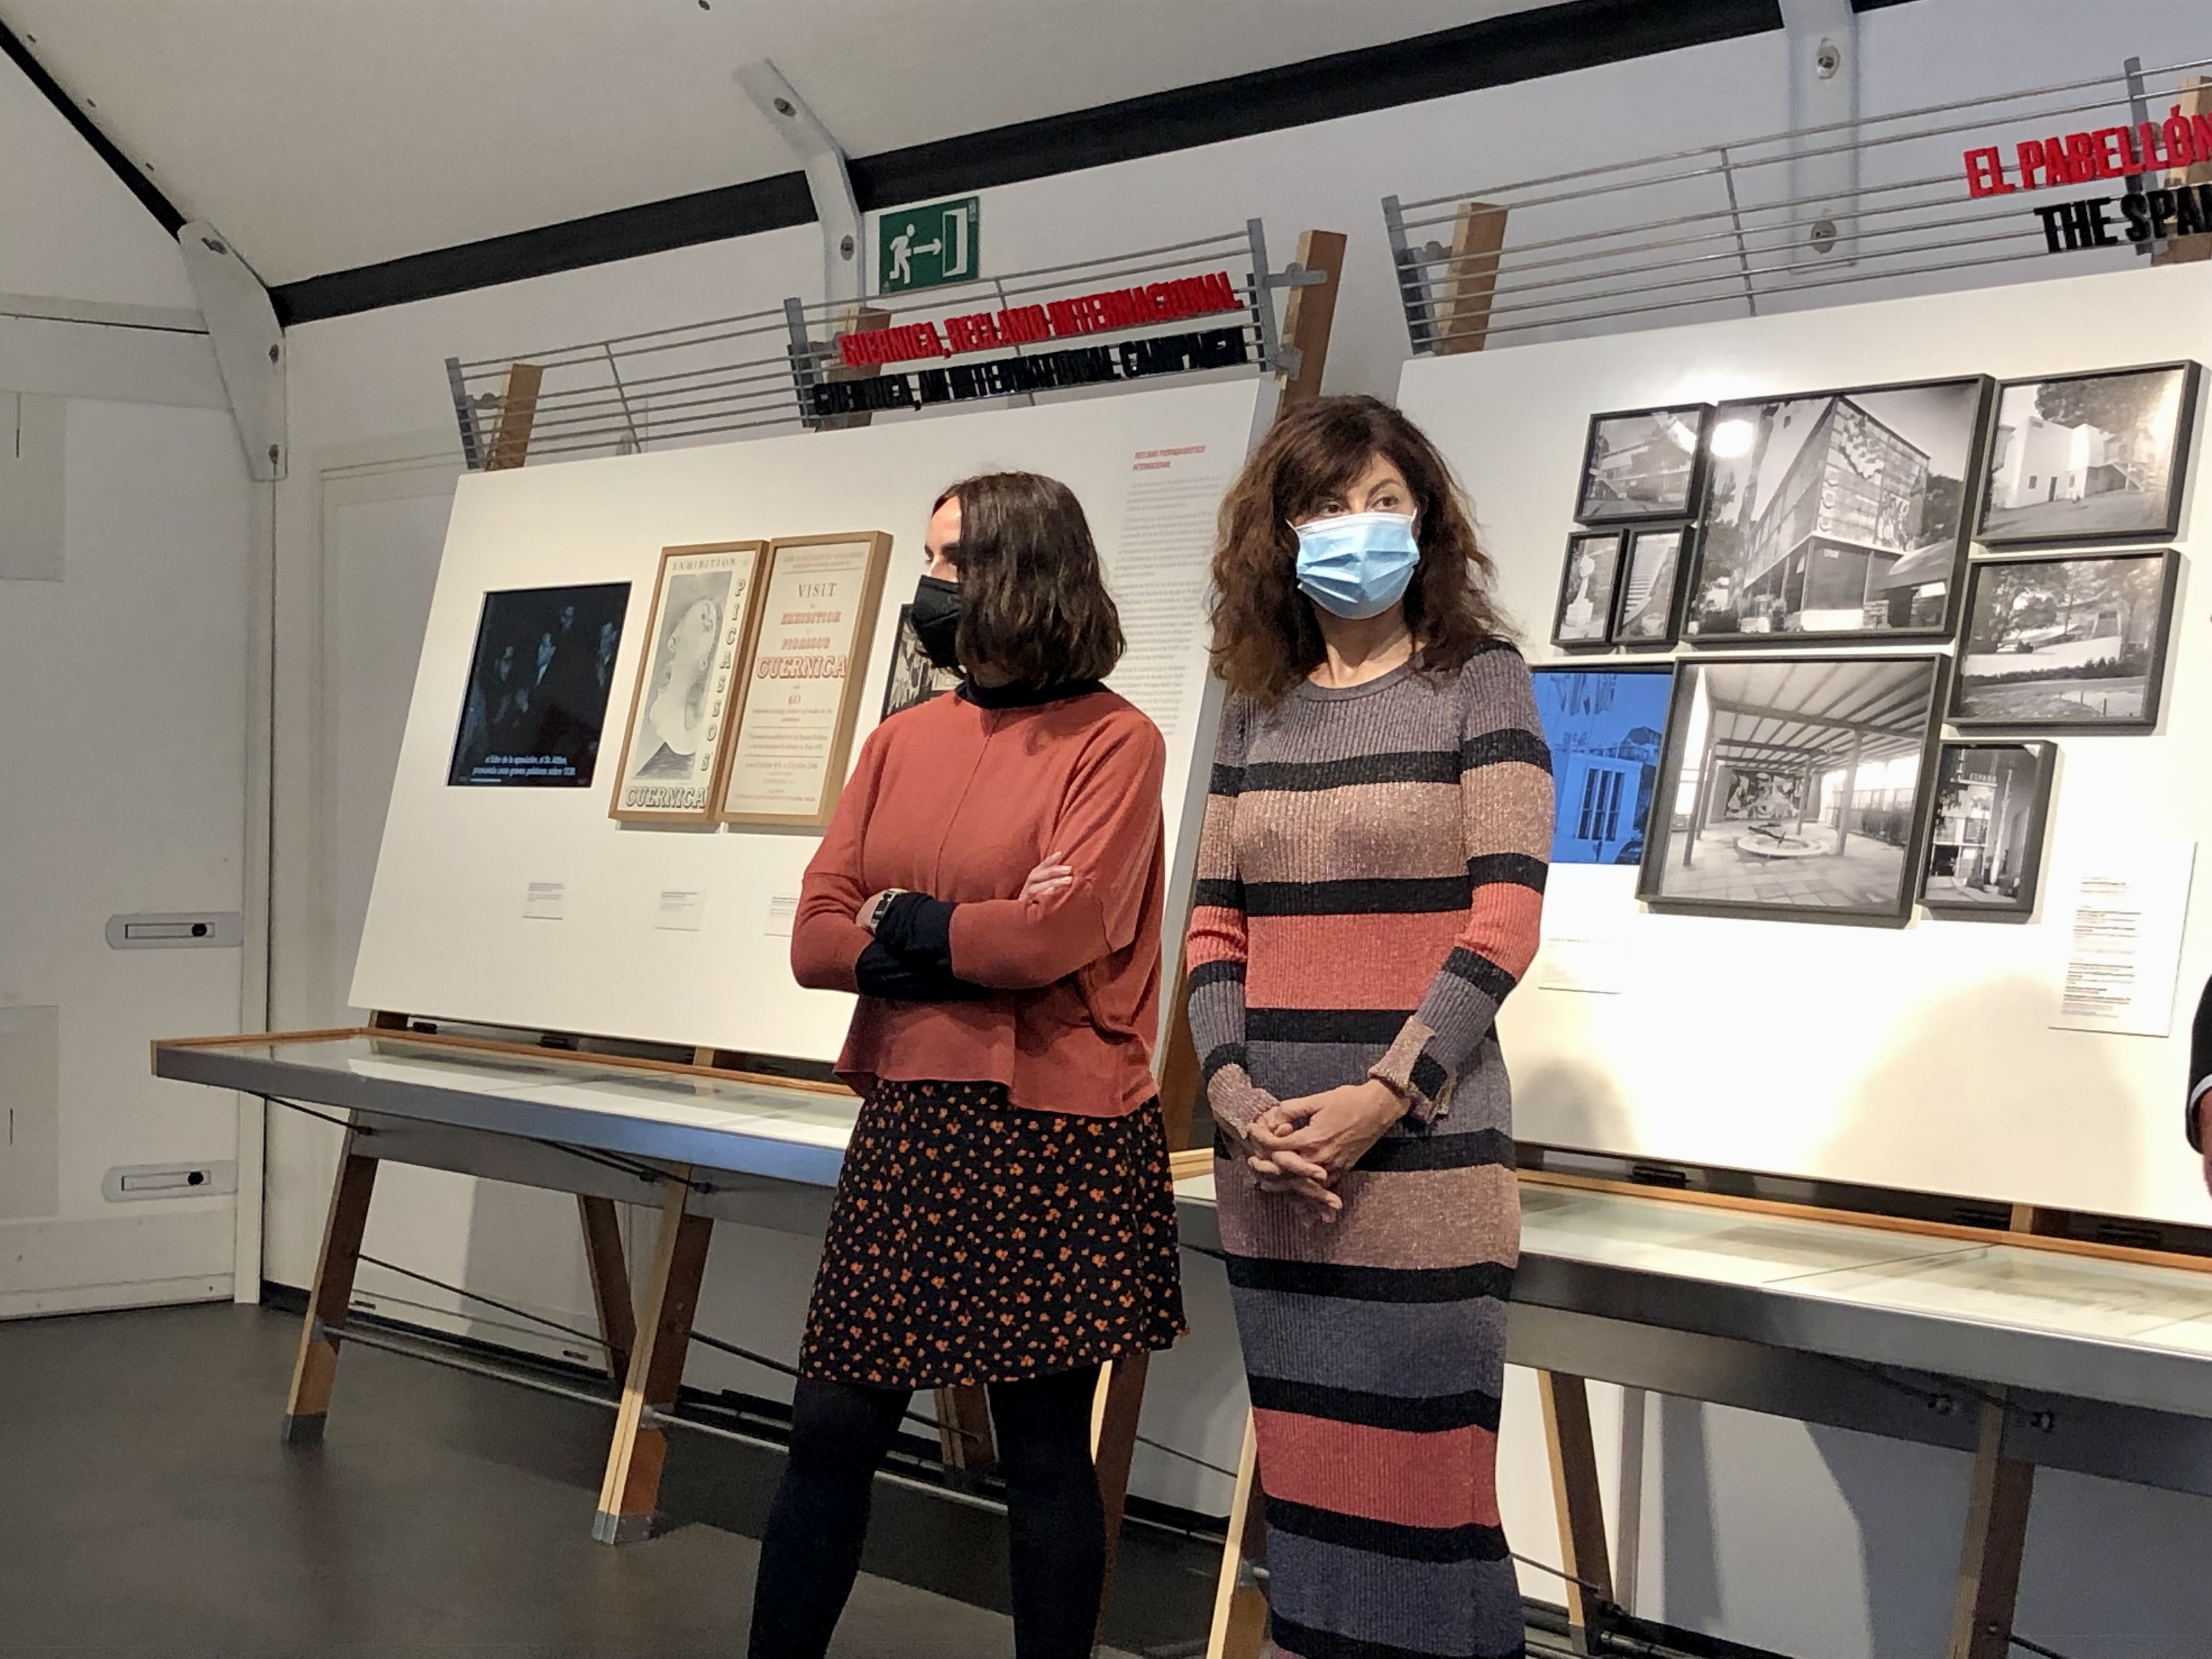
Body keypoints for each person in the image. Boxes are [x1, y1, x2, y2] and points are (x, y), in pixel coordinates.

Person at [754, 471, 1187, 1659]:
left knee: (1042, 1450)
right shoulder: (902, 739)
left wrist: (904, 920)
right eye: (931, 558)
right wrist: (963, 939)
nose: (932, 583)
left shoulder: (1117, 741)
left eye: (954, 560)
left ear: (1025, 573)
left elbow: (1055, 936)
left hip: (1057, 1127)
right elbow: (814, 939)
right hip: (913, 1117)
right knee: (830, 1426)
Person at [1187, 395, 1553, 1659]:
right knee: (1313, 1506)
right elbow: (1214, 928)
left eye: (1384, 502)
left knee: (1427, 1502)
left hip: (1421, 1164)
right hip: (1277, 1170)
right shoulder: (1255, 704)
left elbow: (1506, 919)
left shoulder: (1480, 682)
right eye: (1328, 506)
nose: (1359, 527)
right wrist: (1238, 1106)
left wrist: (1387, 1093)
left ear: (1426, 521)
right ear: (1280, 534)